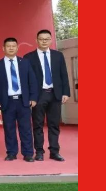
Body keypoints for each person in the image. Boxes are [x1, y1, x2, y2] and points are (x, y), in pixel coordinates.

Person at [23, 29, 71, 161]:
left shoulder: (58, 55)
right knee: (37, 125)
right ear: (36, 40)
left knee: (54, 124)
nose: (44, 41)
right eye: (41, 39)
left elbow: (64, 74)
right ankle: (39, 152)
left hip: (55, 94)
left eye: (47, 39)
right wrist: (30, 97)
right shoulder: (29, 57)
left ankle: (54, 151)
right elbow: (26, 79)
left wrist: (66, 92)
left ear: (51, 40)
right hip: (38, 95)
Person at [0, 38, 38, 162]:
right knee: (9, 128)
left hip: (24, 100)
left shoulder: (25, 63)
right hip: (7, 101)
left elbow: (32, 81)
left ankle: (28, 153)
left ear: (17, 48)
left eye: (13, 46)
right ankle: (11, 153)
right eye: (8, 46)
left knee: (26, 128)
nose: (11, 48)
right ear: (3, 48)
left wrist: (33, 97)